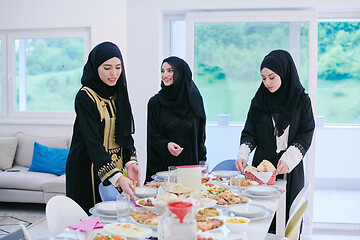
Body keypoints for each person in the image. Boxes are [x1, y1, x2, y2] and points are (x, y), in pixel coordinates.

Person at [235, 50, 315, 227]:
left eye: (271, 77)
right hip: (261, 168)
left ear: (284, 73)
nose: (267, 83)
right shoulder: (259, 100)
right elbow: (250, 132)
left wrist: (289, 157)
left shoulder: (302, 101)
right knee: (261, 218)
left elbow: (306, 132)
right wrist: (243, 154)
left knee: (286, 220)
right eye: (263, 78)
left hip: (290, 167)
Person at [66, 41, 140, 213]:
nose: (114, 73)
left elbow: (124, 133)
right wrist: (118, 177)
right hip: (86, 168)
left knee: (118, 218)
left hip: (114, 168)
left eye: (118, 67)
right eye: (107, 68)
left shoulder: (117, 92)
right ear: (95, 67)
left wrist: (131, 161)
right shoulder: (85, 97)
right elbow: (93, 142)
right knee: (90, 220)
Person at [146, 56, 207, 182]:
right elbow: (153, 138)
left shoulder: (194, 100)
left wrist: (202, 161)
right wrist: (167, 145)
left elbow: (201, 135)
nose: (165, 75)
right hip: (165, 169)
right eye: (162, 71)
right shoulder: (155, 103)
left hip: (190, 168)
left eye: (170, 70)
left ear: (181, 73)